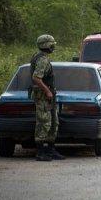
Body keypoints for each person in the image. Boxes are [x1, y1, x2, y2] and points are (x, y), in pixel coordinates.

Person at [30, 34, 65, 162]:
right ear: (46, 45)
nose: (53, 47)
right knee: (44, 123)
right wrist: (47, 91)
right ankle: (40, 152)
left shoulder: (40, 57)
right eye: (52, 44)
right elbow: (36, 78)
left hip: (48, 96)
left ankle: (51, 149)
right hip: (43, 96)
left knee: (53, 122)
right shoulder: (42, 59)